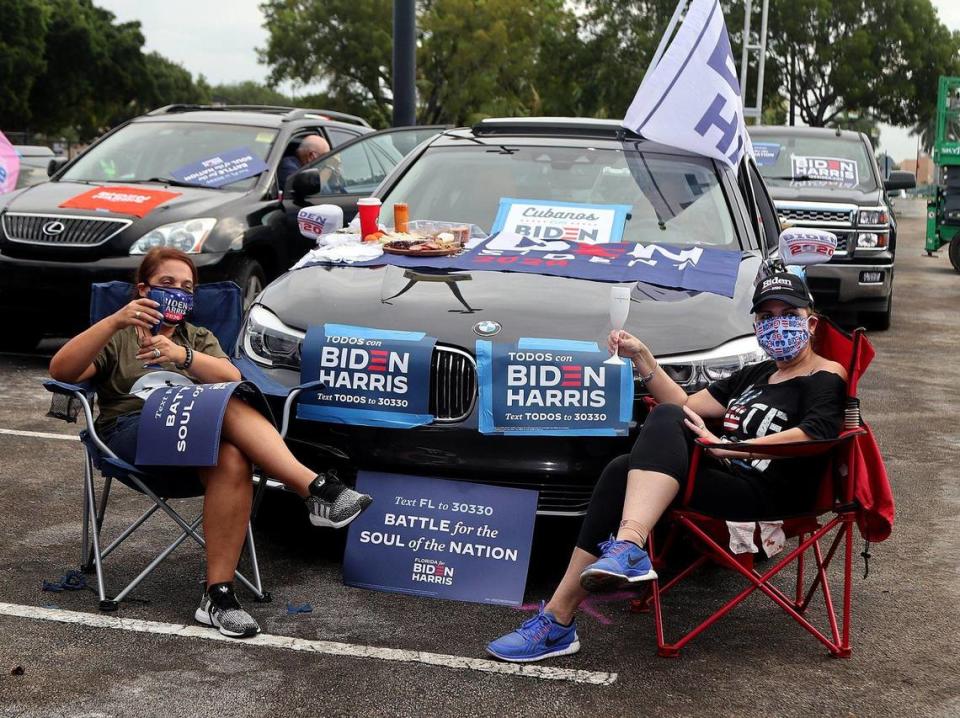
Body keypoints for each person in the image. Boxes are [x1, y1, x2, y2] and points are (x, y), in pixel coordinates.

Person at [486, 272, 847, 663]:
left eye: (788, 313)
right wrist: (643, 358)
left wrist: (734, 448)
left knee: (659, 428)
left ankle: (626, 548)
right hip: (728, 476)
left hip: (769, 494)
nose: (778, 324)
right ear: (757, 326)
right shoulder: (759, 373)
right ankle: (560, 618)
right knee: (622, 468)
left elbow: (817, 434)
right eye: (767, 316)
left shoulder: (825, 374)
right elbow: (687, 404)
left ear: (810, 323)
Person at [49, 247, 373, 638]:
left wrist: (182, 356)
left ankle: (218, 596)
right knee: (229, 408)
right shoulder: (117, 336)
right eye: (167, 284)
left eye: (187, 286)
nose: (178, 292)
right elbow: (62, 369)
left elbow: (231, 375)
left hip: (195, 442)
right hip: (133, 435)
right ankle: (315, 488)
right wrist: (115, 320)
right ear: (143, 289)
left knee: (232, 450)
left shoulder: (196, 337)